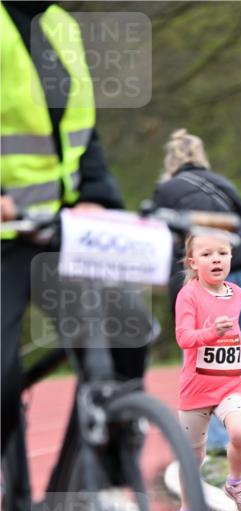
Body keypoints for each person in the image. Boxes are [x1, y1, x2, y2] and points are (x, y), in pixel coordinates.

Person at [1, 0, 146, 454]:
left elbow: (82, 131)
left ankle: (101, 481)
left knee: (127, 330)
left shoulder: (61, 24)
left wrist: (95, 196)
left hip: (59, 230)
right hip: (5, 239)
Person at [152, 130, 241, 448]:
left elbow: (165, 238)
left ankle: (217, 437)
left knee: (205, 356)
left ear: (170, 160)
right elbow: (239, 222)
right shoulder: (224, 184)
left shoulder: (167, 190)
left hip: (206, 273)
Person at [174, 230, 241, 511]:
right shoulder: (189, 295)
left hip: (229, 382)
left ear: (231, 258)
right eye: (207, 254)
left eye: (222, 253)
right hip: (196, 388)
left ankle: (236, 482)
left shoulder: (237, 293)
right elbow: (184, 338)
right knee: (193, 457)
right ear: (193, 263)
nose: (216, 259)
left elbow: (235, 331)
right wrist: (211, 332)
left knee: (240, 432)